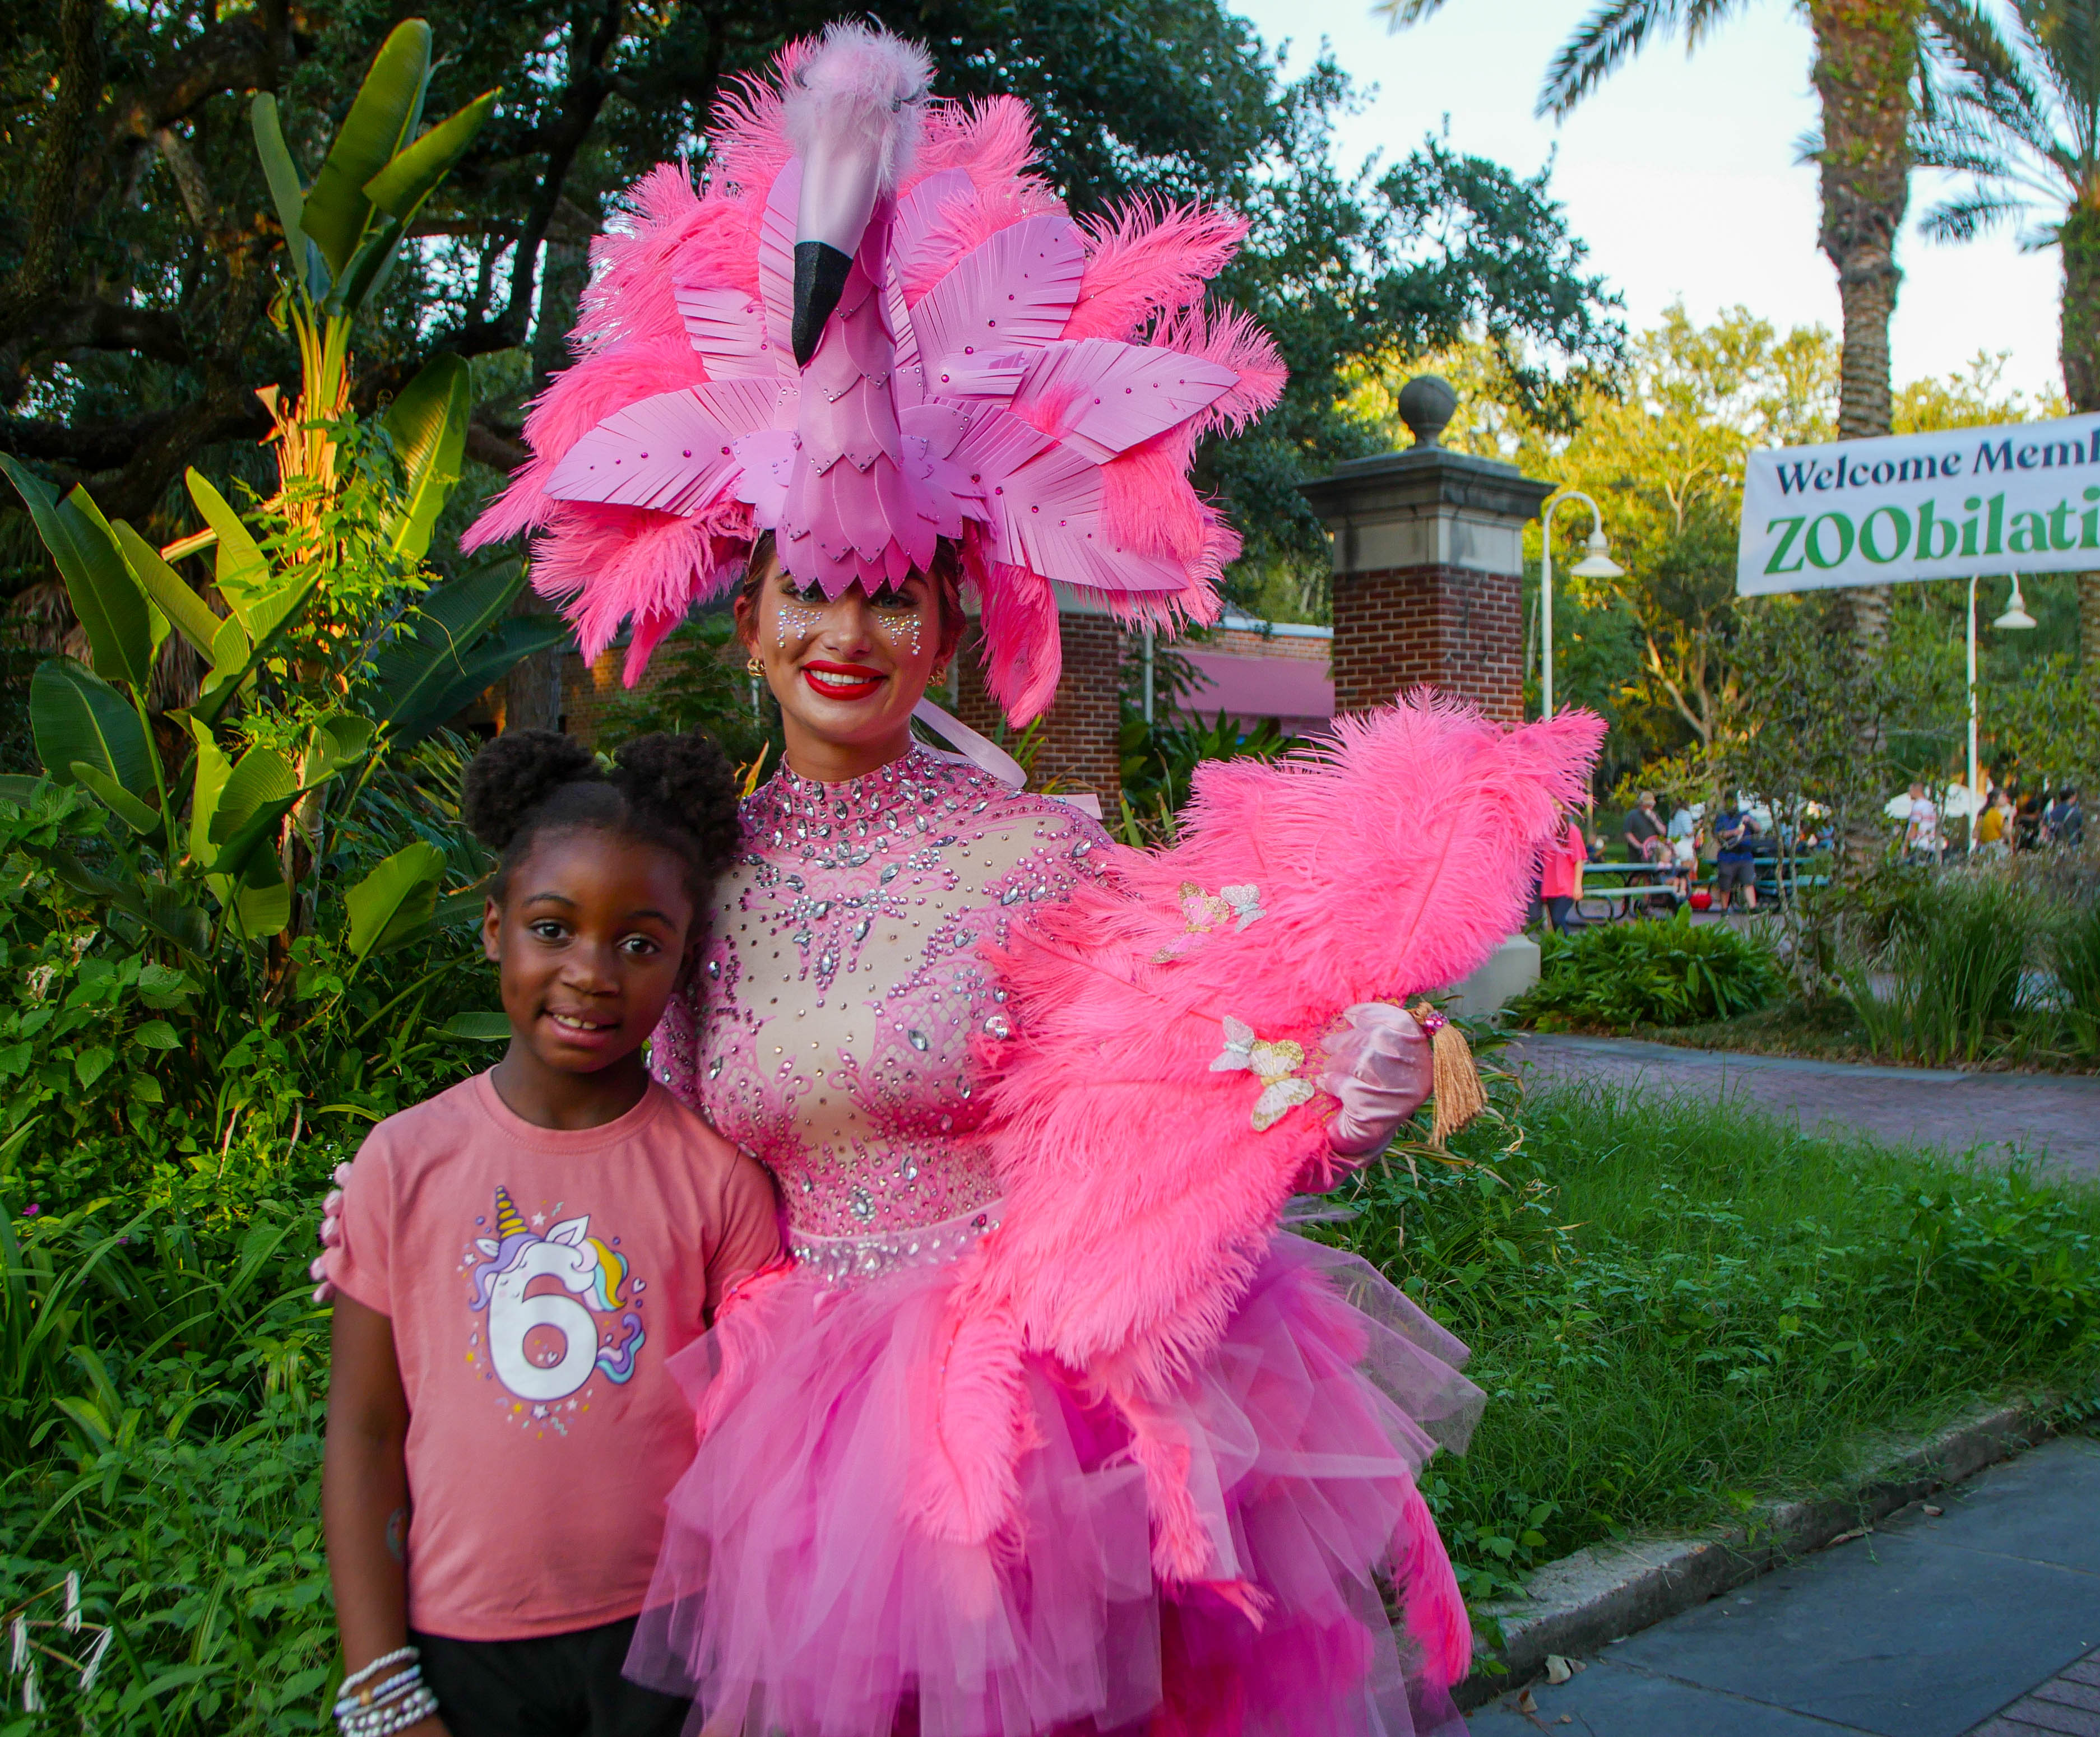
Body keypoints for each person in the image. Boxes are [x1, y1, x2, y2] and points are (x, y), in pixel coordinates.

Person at [414, 26, 1604, 1737]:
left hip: (1045, 1422)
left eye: (892, 594)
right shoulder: (691, 884)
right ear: (748, 620)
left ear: (946, 626)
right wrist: (430, 1228)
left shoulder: (1041, 851)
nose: (846, 632)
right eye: (809, 591)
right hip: (789, 1447)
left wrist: (1345, 1096)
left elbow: (1183, 1114)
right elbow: (620, 1137)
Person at [319, 733, 782, 1737]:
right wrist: (380, 1685)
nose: (591, 973)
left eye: (639, 944)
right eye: (552, 928)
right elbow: (363, 1433)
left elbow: (754, 1452)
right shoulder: (401, 1165)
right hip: (464, 1647)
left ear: (686, 960)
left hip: (671, 1637)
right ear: (496, 929)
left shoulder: (719, 1182)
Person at [1538, 807, 1590, 933]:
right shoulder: (1544, 831)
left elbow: (1579, 859)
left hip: (1566, 885)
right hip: (1550, 886)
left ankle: (1571, 943)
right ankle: (1563, 944)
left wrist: (1578, 886)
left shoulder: (1571, 830)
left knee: (1558, 918)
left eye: (1557, 804)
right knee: (1555, 924)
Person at [1714, 801, 1759, 913]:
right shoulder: (1722, 818)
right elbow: (1719, 834)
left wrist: (1750, 821)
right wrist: (1734, 832)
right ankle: (1725, 910)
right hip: (1727, 856)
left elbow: (1758, 829)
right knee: (1725, 885)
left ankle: (1753, 908)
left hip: (1745, 856)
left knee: (1748, 882)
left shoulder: (1745, 815)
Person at [1905, 782, 1943, 862]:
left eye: (1910, 790)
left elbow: (1914, 829)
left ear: (1916, 790)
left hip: (1919, 846)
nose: (1909, 794)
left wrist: (1905, 846)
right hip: (1931, 847)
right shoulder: (1931, 806)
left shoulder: (1918, 806)